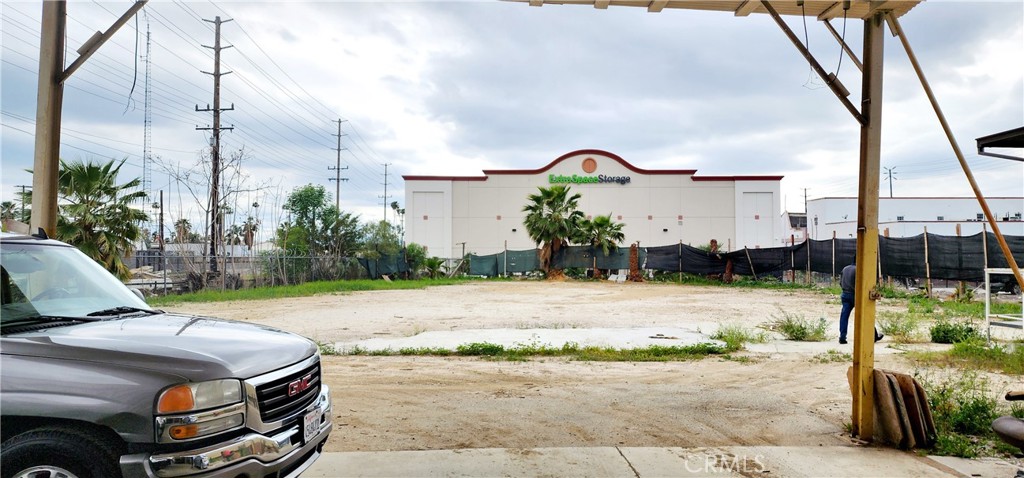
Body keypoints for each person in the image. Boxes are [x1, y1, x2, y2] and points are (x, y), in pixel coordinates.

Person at [838, 262, 883, 344]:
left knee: (844, 315)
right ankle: (874, 335)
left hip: (845, 294)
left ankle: (842, 336)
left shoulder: (845, 268)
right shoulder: (858, 270)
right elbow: (860, 284)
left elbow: (840, 283)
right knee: (866, 315)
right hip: (856, 296)